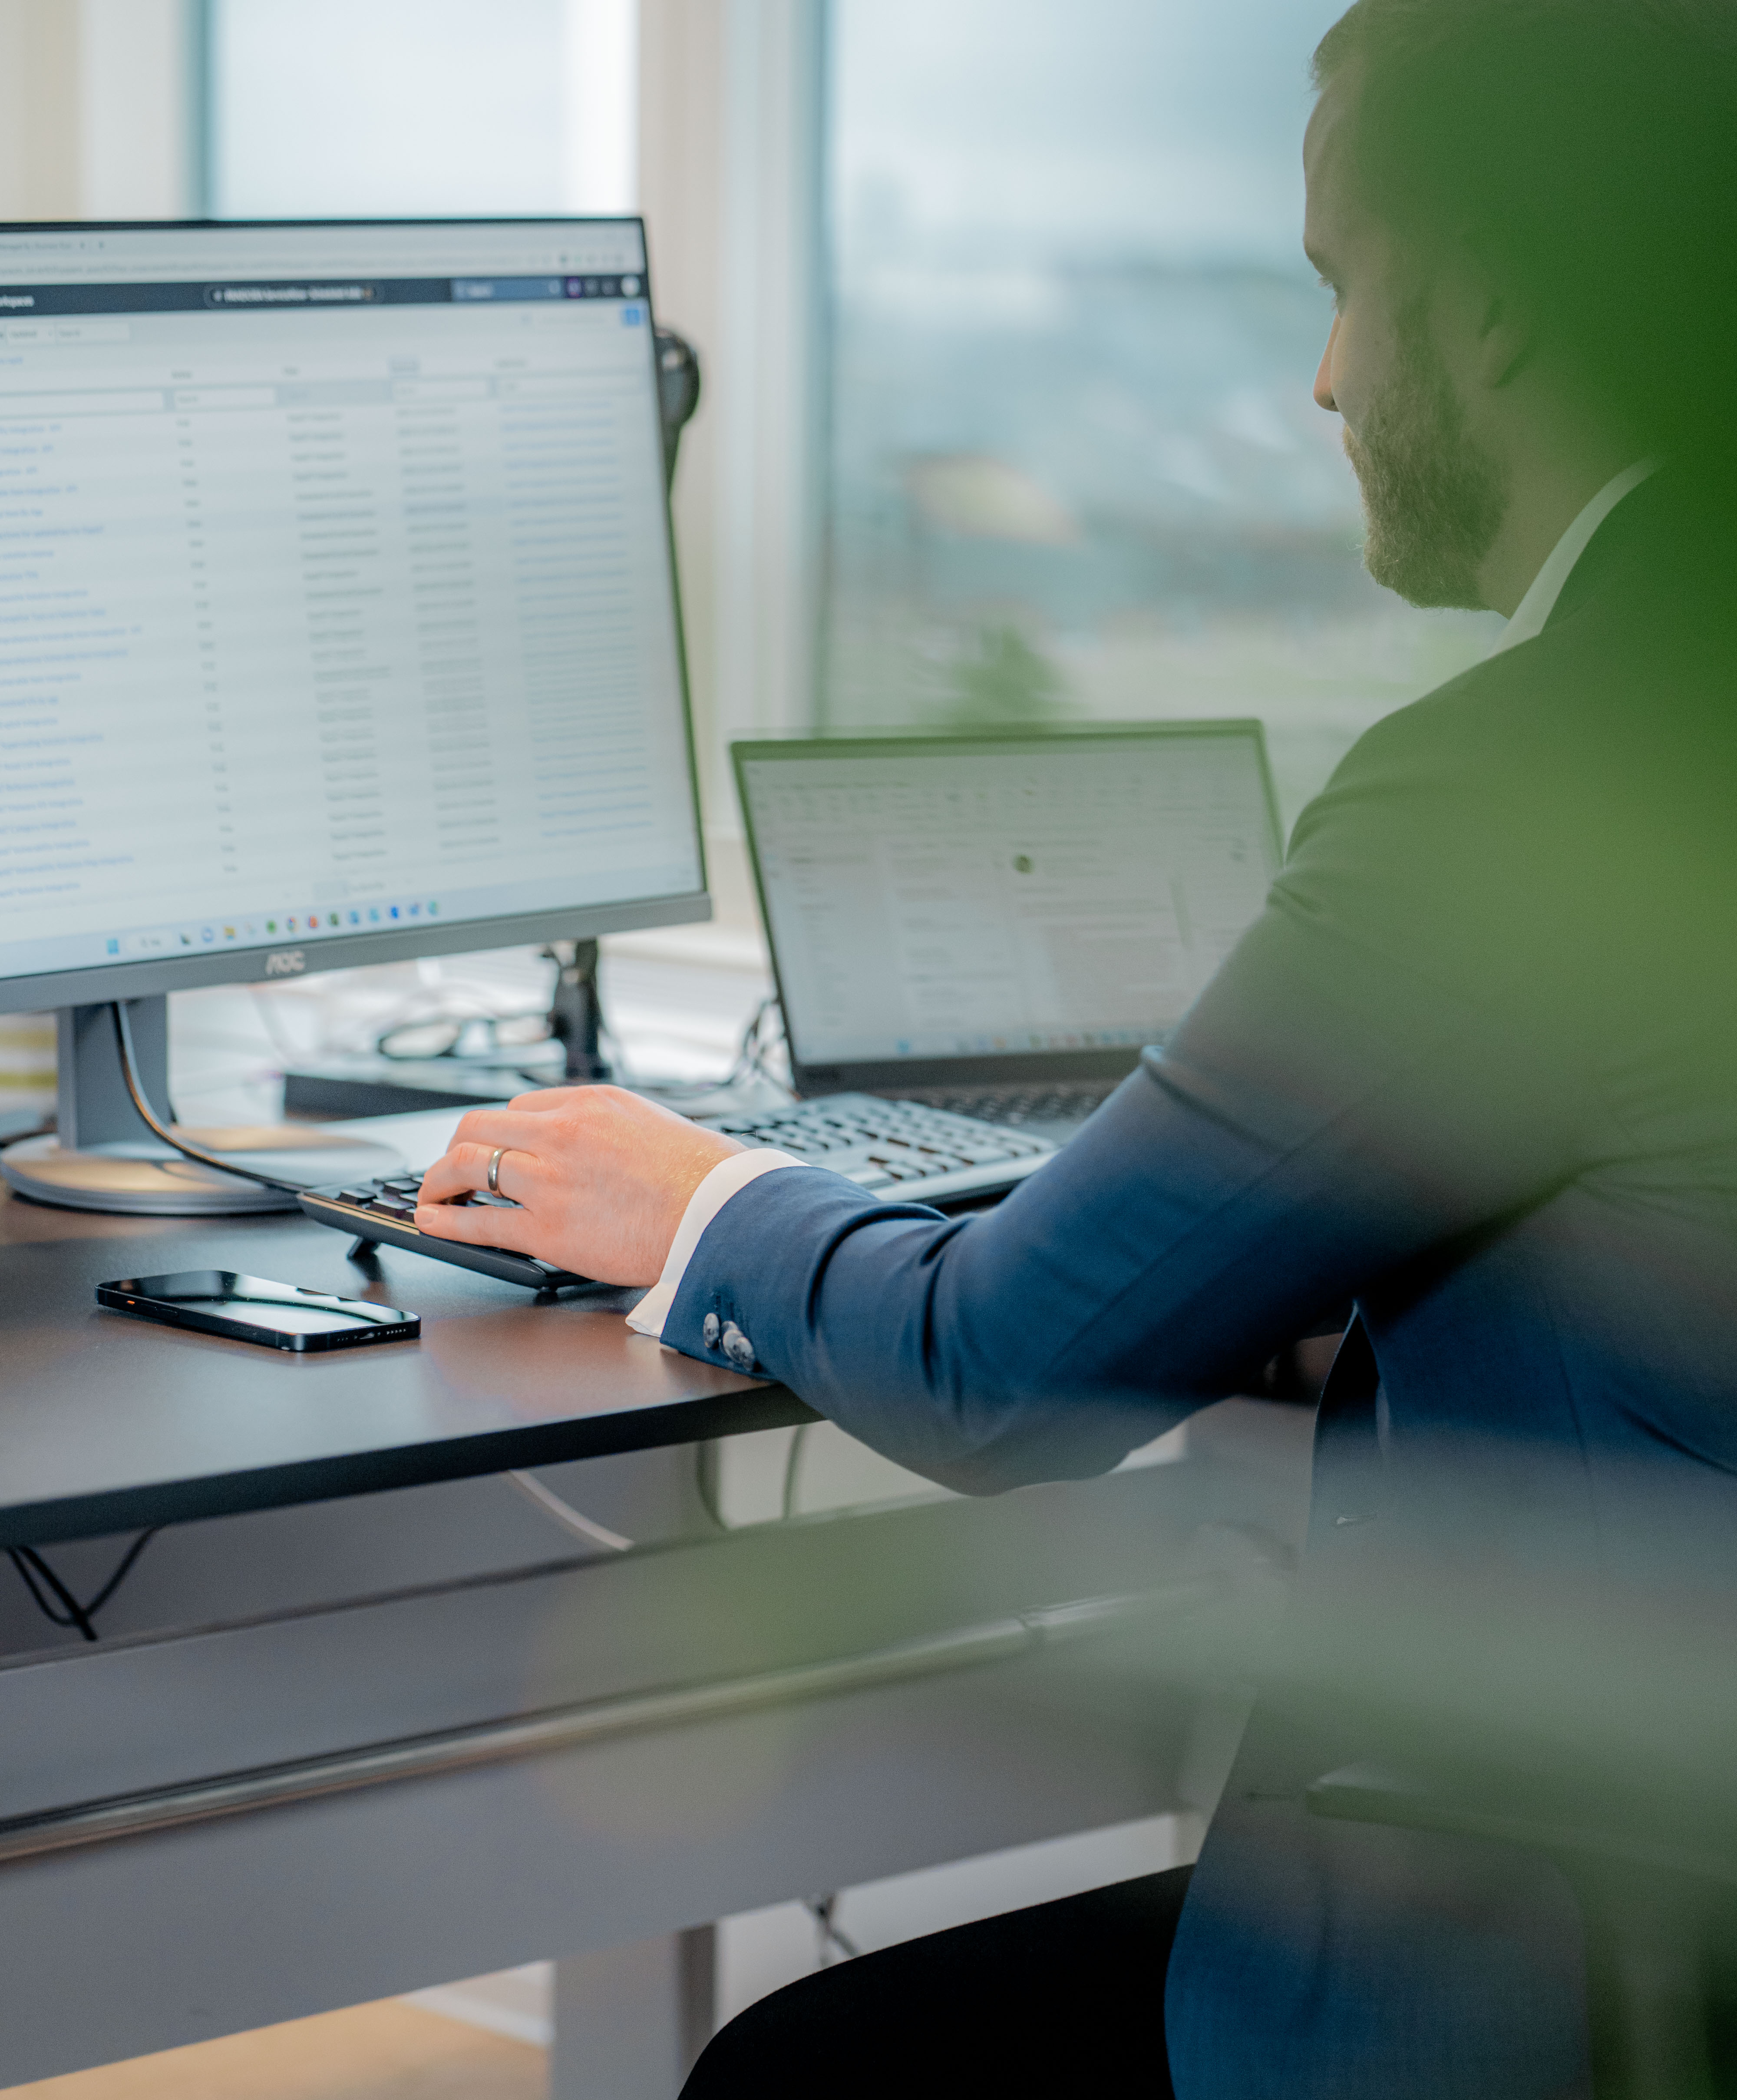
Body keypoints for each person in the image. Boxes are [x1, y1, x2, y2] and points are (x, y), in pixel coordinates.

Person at [415, 1, 1737, 2091]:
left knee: (807, 2076)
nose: (1319, 377)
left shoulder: (1521, 782)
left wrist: (699, 1196)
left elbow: (995, 1369)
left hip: (1549, 1966)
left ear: (1475, 314)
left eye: (1337, 289)